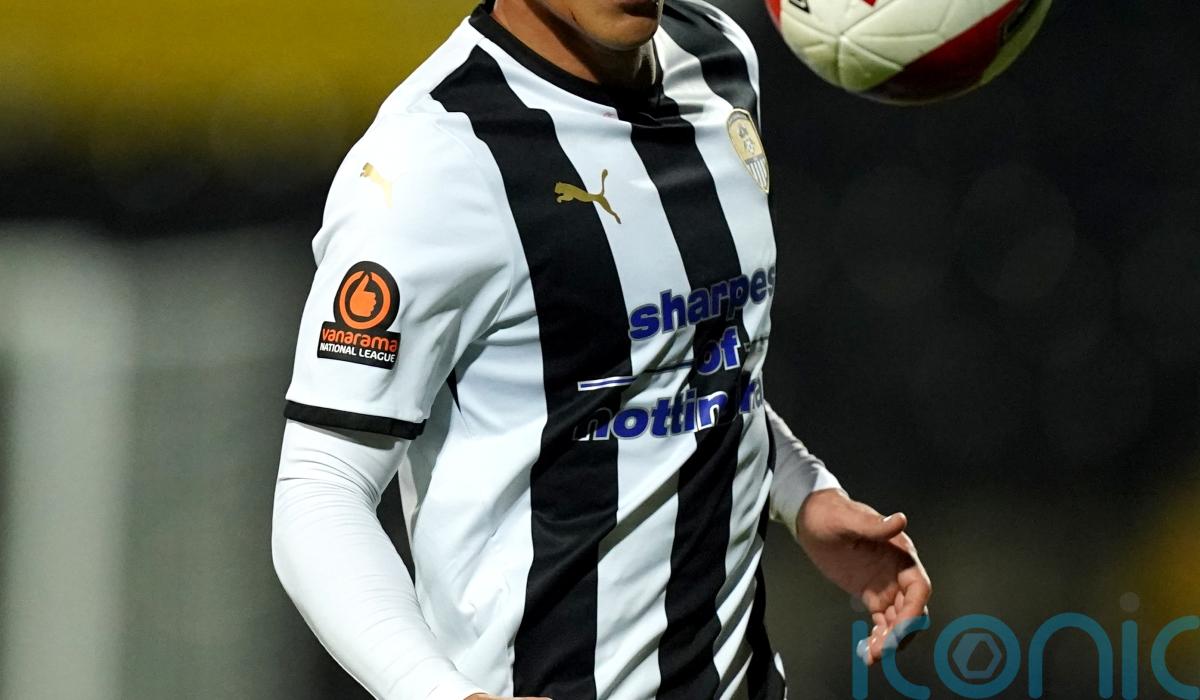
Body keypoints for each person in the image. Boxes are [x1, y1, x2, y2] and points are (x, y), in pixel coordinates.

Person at [271, 1, 932, 698]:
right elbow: (320, 490)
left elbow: (680, 356)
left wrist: (801, 491)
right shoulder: (430, 163)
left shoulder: (719, 58)